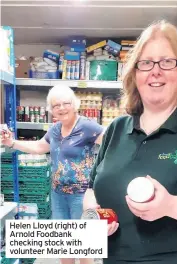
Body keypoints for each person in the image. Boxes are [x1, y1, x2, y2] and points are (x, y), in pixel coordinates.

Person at [83, 21, 177, 264]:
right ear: (134, 74)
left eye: (167, 61)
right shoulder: (116, 128)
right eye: (146, 63)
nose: (155, 71)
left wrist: (171, 206)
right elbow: (92, 189)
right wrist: (93, 215)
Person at [2, 84, 104, 264]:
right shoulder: (55, 130)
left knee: (84, 247)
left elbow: (111, 142)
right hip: (57, 194)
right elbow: (39, 147)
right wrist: (11, 142)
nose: (62, 108)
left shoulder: (87, 126)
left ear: (74, 104)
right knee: (65, 245)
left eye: (66, 103)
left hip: (81, 195)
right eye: (56, 105)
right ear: (51, 110)